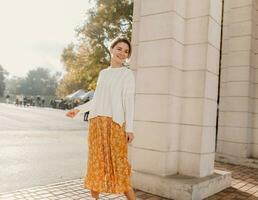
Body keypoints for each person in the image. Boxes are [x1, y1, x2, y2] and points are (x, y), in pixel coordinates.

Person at [66, 36, 136, 200]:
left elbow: (129, 102)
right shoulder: (103, 74)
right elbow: (97, 100)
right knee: (95, 166)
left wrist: (130, 128)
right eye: (119, 49)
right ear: (111, 50)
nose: (122, 53)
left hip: (115, 125)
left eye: (126, 51)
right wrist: (78, 109)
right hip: (97, 124)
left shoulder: (127, 74)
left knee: (120, 168)